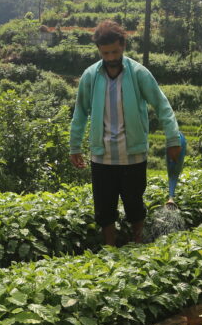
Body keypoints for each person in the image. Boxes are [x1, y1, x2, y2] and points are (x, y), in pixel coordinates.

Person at [69, 19, 182, 246]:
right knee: (104, 205)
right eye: (106, 53)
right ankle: (110, 245)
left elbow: (162, 105)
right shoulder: (91, 76)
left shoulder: (138, 73)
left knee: (134, 203)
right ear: (99, 51)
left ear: (123, 46)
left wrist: (172, 138)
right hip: (102, 155)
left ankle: (137, 241)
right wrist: (75, 145)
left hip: (133, 154)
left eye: (115, 52)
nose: (111, 58)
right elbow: (80, 111)